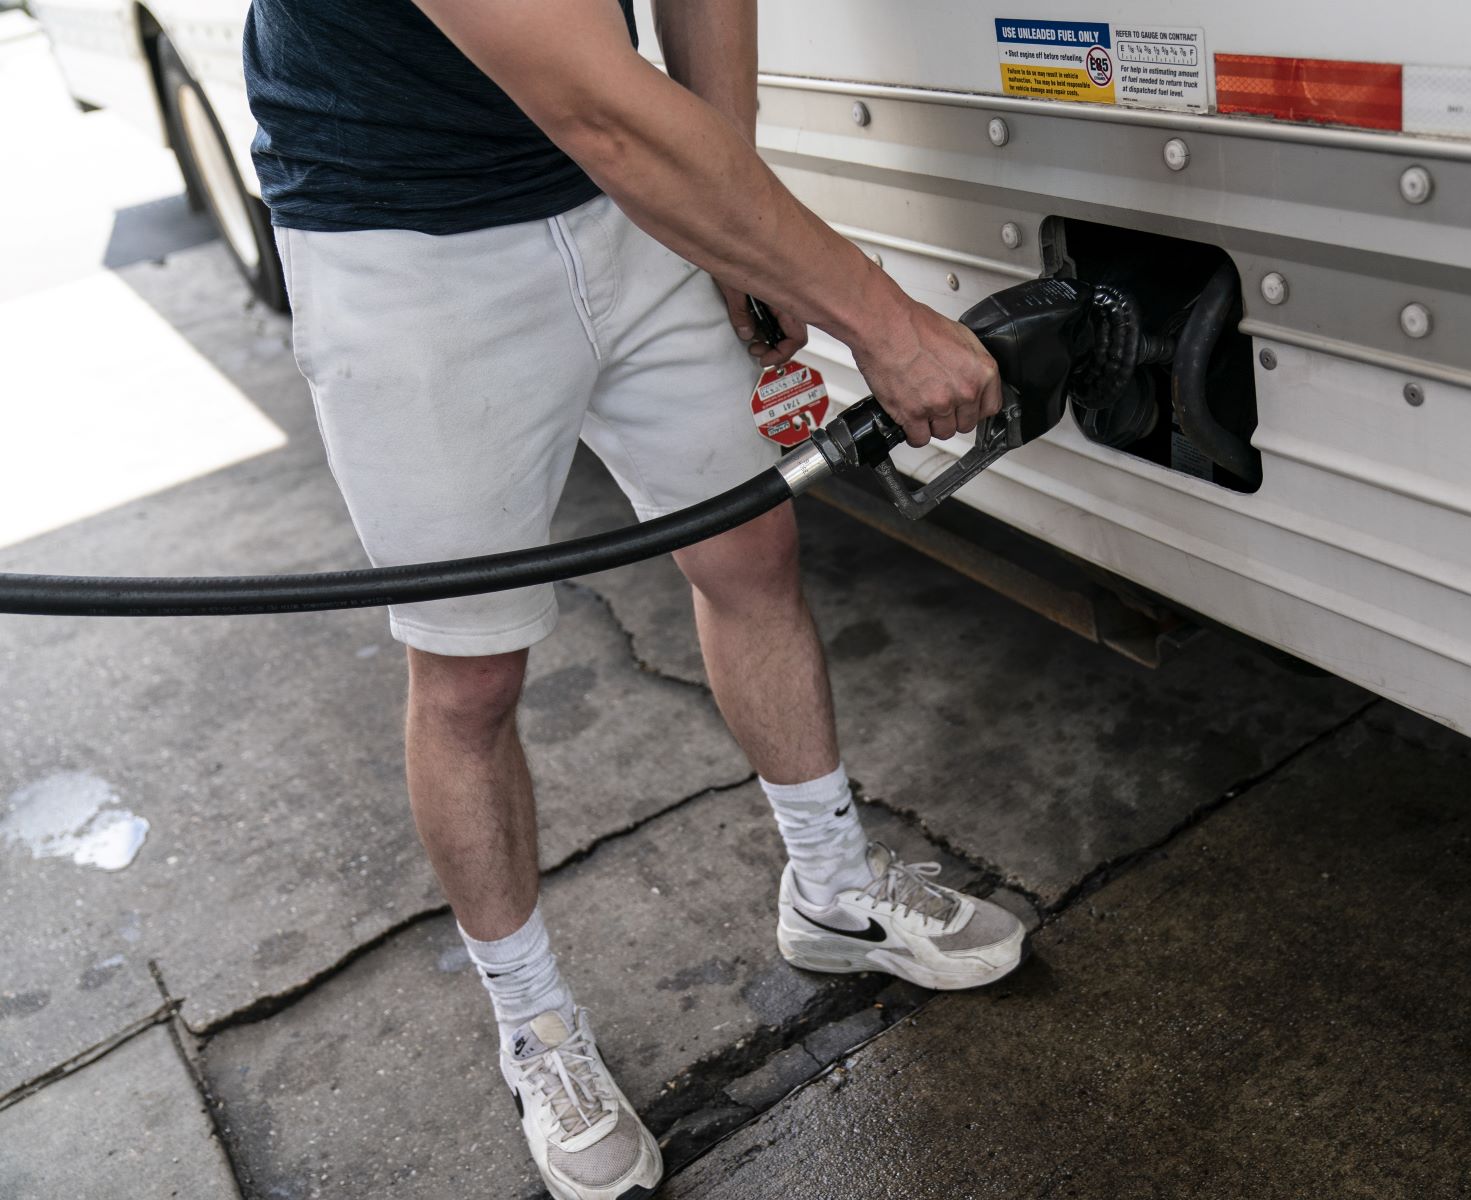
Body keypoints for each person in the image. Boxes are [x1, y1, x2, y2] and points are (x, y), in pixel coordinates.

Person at [243, 1, 1027, 1197]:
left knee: (751, 556)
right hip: (405, 245)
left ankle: (831, 889)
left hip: (624, 206)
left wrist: (728, 217)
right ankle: (536, 1029)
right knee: (470, 671)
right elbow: (602, 108)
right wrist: (885, 320)